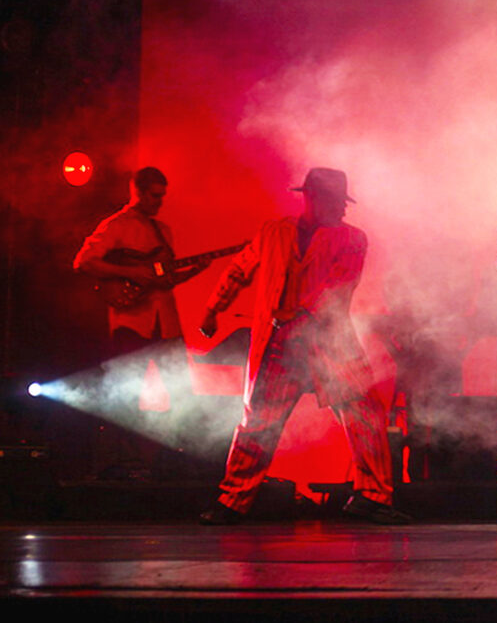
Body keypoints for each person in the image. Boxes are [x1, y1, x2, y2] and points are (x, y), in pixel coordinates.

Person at [197, 168, 409, 525]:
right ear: (313, 198)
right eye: (336, 201)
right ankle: (232, 499)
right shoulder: (273, 232)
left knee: (365, 413)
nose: (343, 208)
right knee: (258, 422)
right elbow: (240, 268)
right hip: (281, 347)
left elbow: (338, 287)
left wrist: (299, 316)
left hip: (329, 345)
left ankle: (372, 497)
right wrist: (212, 307)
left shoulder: (352, 238)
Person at [74, 167, 210, 440]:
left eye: (162, 196)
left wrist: (195, 271)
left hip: (166, 322)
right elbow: (83, 261)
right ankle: (122, 455)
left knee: (181, 392)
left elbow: (163, 280)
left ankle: (180, 451)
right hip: (132, 323)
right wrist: (130, 272)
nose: (160, 202)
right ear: (138, 192)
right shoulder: (117, 225)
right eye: (155, 196)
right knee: (127, 393)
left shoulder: (163, 231)